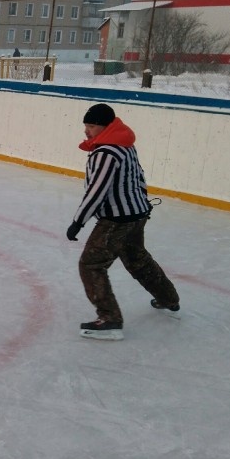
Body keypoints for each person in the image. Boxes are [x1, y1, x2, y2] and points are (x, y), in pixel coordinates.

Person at [67, 103, 180, 341]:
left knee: (91, 264)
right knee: (137, 259)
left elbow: (97, 191)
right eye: (86, 126)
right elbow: (139, 177)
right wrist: (142, 205)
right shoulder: (125, 146)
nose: (87, 131)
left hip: (117, 220)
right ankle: (168, 297)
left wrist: (78, 221)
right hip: (137, 215)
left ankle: (109, 319)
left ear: (106, 126)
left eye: (92, 126)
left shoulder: (106, 153)